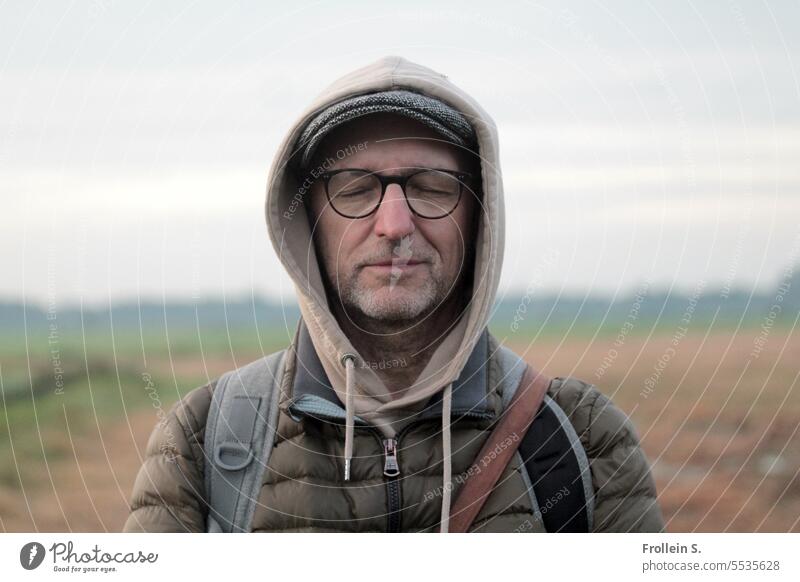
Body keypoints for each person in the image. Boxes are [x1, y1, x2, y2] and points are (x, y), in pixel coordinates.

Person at [123, 55, 664, 533]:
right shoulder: (203, 442)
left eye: (433, 187)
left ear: (480, 219)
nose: (394, 224)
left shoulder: (585, 441)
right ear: (307, 221)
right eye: (355, 190)